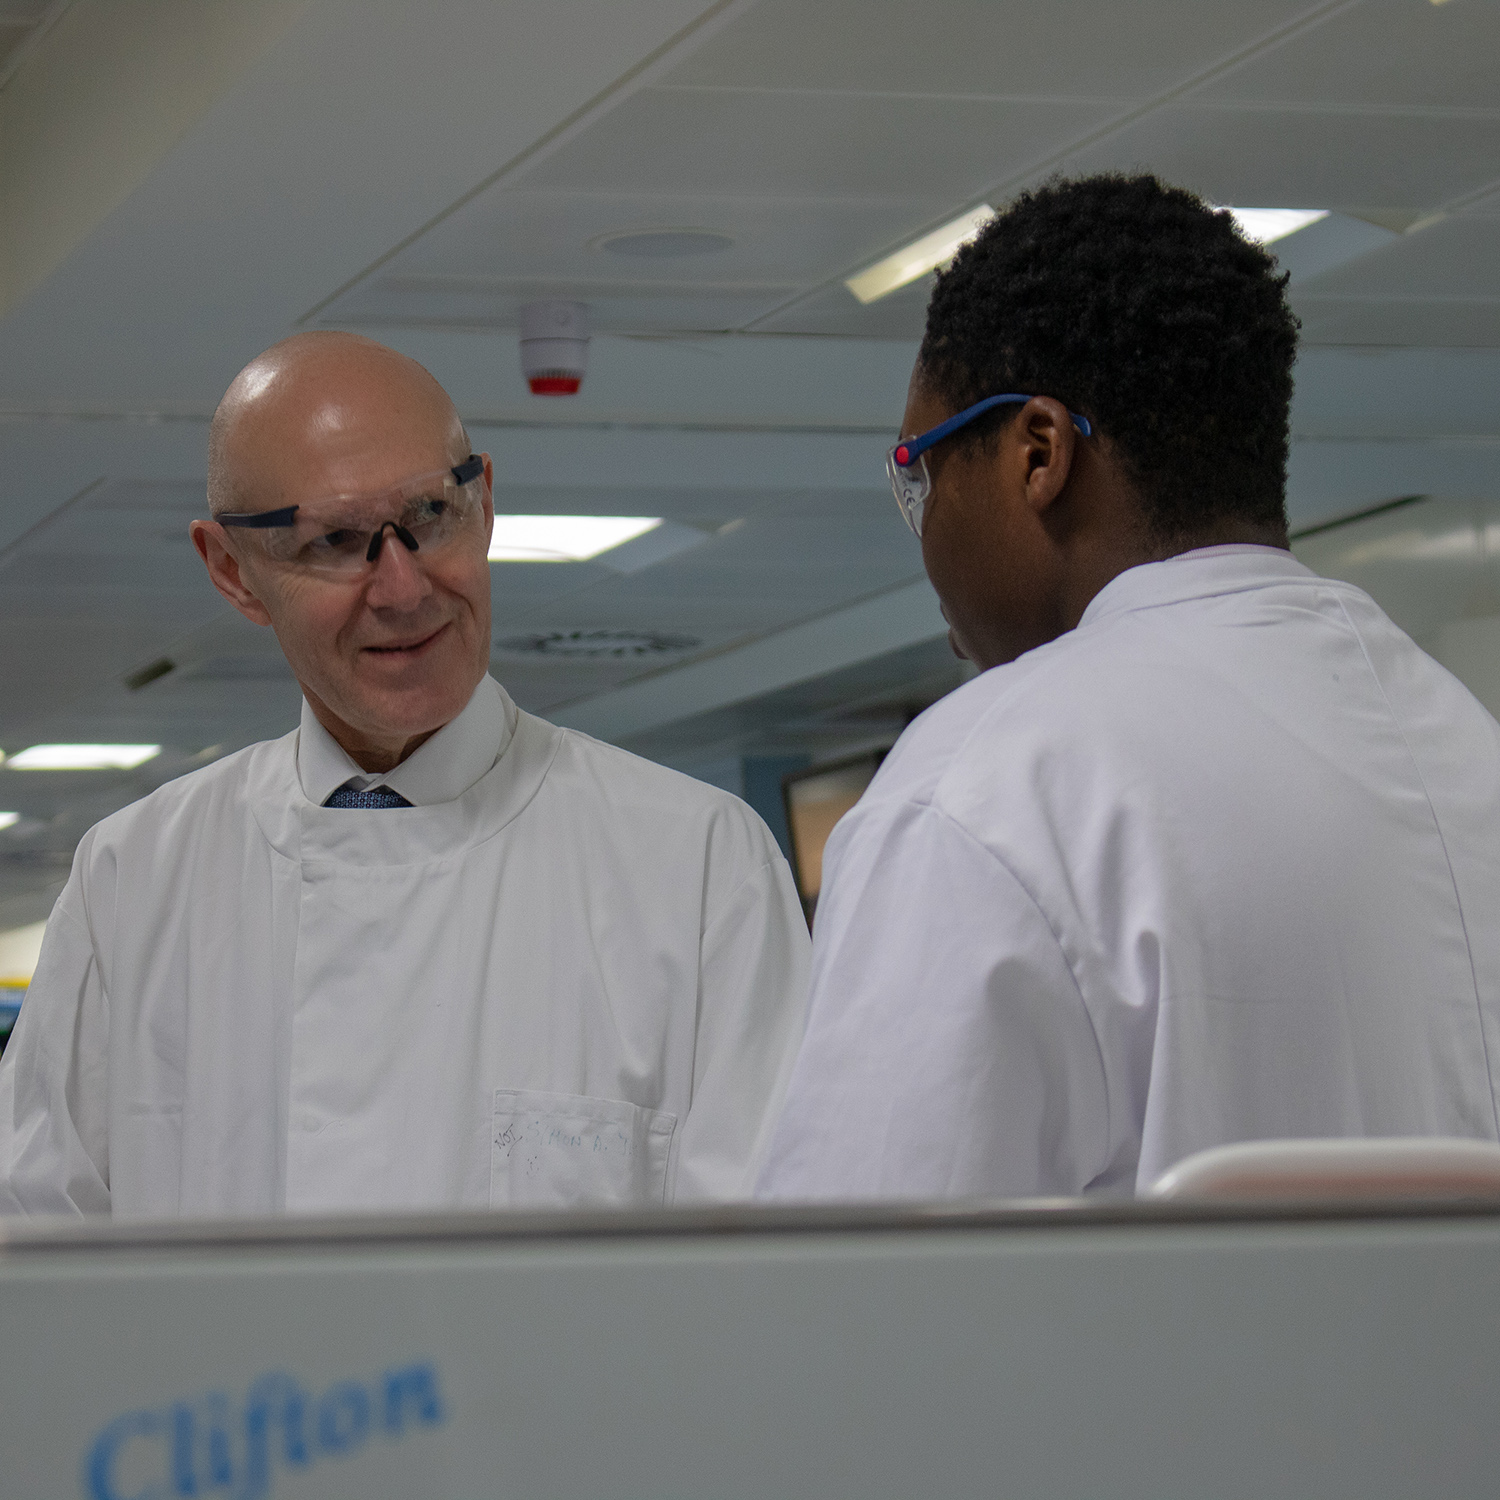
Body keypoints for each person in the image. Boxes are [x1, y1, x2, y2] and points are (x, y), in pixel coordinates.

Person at [759, 174, 1500, 1201]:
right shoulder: (1461, 741)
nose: (921, 527)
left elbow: (855, 1300)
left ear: (1038, 453)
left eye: (921, 472)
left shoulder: (991, 781)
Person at [0, 332, 809, 1218]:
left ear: (486, 502)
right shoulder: (135, 882)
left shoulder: (696, 867)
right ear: (232, 571)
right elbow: (36, 1266)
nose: (402, 587)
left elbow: (769, 1280)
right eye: (335, 540)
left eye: (430, 516)